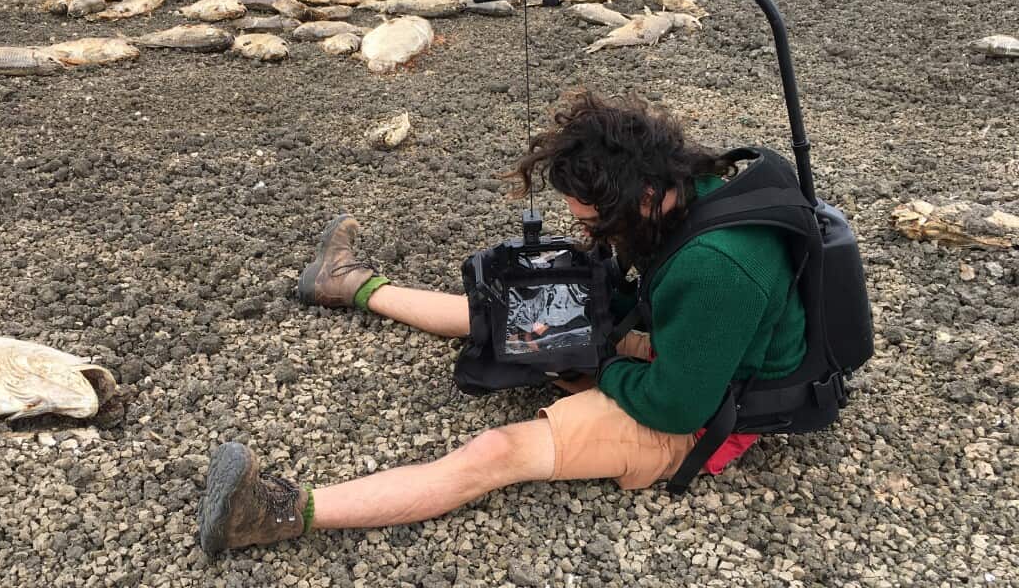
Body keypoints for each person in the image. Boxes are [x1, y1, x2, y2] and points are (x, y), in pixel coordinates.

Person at [196, 89, 807, 555]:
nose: (591, 234)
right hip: (693, 342)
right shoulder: (683, 190)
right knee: (512, 317)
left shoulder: (717, 268)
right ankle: (347, 284)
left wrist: (601, 376)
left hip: (714, 411)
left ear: (642, 196)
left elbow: (678, 407)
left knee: (497, 450)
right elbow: (657, 298)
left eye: (595, 221)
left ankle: (275, 512)